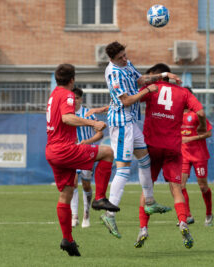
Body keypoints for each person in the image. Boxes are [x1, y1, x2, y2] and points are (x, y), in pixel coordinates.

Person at [86, 41, 181, 239]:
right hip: (121, 124)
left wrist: (164, 76)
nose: (125, 58)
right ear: (112, 59)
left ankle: (150, 201)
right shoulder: (113, 73)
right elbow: (126, 100)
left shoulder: (127, 65)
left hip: (131, 123)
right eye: (120, 57)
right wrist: (148, 91)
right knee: (123, 168)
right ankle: (109, 215)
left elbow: (141, 79)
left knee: (145, 160)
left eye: (124, 54)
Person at [45, 64, 119, 257]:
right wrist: (93, 122)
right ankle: (100, 198)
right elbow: (68, 118)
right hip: (64, 149)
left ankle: (68, 240)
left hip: (53, 151)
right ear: (72, 80)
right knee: (108, 153)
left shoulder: (53, 95)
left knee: (66, 194)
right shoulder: (68, 95)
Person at [134, 63, 206, 249]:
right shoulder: (183, 92)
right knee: (176, 188)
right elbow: (201, 112)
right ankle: (182, 222)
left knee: (147, 188)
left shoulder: (151, 89)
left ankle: (143, 228)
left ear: (157, 76)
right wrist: (202, 127)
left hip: (151, 146)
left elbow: (133, 96)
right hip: (173, 147)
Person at [70, 87, 104, 228]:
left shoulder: (88, 113)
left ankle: (86, 214)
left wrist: (87, 142)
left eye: (77, 98)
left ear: (81, 99)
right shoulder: (67, 114)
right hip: (71, 152)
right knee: (72, 182)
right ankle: (75, 216)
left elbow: (100, 133)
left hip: (85, 152)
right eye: (72, 98)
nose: (75, 101)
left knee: (86, 184)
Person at [180, 87, 213, 227]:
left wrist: (191, 138)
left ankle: (209, 214)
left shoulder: (197, 114)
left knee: (203, 186)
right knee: (180, 185)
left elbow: (208, 133)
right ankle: (188, 215)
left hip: (199, 155)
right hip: (183, 155)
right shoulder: (175, 114)